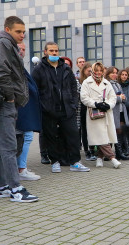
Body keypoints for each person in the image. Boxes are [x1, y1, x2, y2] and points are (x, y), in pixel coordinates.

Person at [0, 16, 39, 202]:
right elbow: (2, 73)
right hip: (5, 102)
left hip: (5, 101)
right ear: (7, 30)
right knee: (9, 146)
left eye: (23, 32)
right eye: (18, 31)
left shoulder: (8, 45)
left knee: (3, 147)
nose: (22, 35)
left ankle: (2, 186)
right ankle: (16, 189)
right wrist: (11, 97)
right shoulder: (4, 44)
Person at [32, 41, 90, 173]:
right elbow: (35, 90)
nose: (54, 53)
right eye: (51, 51)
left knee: (73, 135)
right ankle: (55, 162)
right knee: (51, 136)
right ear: (45, 52)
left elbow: (73, 87)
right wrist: (42, 106)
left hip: (67, 108)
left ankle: (75, 162)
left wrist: (73, 104)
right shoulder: (39, 69)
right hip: (49, 109)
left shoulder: (65, 68)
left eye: (56, 51)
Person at [80, 62, 121, 169]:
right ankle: (113, 158)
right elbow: (84, 97)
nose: (98, 73)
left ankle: (99, 158)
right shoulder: (86, 82)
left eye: (100, 70)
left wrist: (108, 105)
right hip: (94, 113)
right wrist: (95, 104)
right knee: (101, 136)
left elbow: (113, 97)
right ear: (93, 71)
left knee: (105, 136)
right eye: (96, 70)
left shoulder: (107, 83)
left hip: (106, 113)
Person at [15, 42, 42, 181]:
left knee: (26, 137)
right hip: (19, 109)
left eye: (24, 49)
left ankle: (21, 167)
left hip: (25, 108)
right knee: (25, 137)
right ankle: (21, 169)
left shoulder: (20, 66)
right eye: (19, 48)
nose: (22, 51)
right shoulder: (13, 66)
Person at [105, 66, 129, 160]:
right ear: (108, 74)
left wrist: (121, 98)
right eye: (113, 73)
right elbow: (109, 99)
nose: (115, 74)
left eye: (116, 73)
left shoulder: (117, 84)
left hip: (121, 110)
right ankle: (112, 153)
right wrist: (119, 98)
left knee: (120, 131)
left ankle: (119, 152)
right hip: (113, 111)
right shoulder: (107, 84)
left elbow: (124, 97)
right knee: (114, 131)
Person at [78, 62, 98, 161]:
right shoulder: (80, 82)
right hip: (83, 108)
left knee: (93, 130)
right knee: (85, 130)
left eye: (92, 71)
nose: (91, 73)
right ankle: (87, 151)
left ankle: (93, 149)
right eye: (89, 71)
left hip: (93, 107)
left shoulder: (95, 82)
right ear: (84, 71)